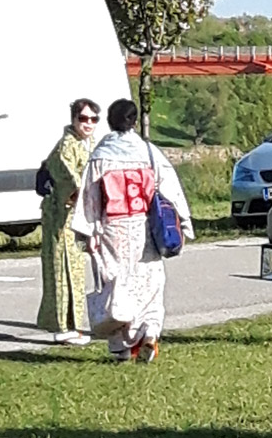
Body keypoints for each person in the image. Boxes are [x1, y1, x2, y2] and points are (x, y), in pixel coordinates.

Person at [72, 98, 194, 363]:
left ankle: (122, 347)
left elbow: (91, 197)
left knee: (115, 285)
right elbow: (169, 190)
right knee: (150, 282)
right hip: (143, 226)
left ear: (108, 122)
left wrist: (88, 231)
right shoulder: (148, 152)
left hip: (112, 228)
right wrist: (182, 222)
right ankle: (150, 332)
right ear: (135, 122)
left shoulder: (101, 156)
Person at [36, 97, 99, 343]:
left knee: (76, 270)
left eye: (93, 119)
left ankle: (74, 325)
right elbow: (69, 180)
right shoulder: (67, 145)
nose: (88, 124)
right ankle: (63, 327)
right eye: (83, 119)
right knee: (61, 269)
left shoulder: (88, 144)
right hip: (61, 216)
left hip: (77, 216)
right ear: (73, 119)